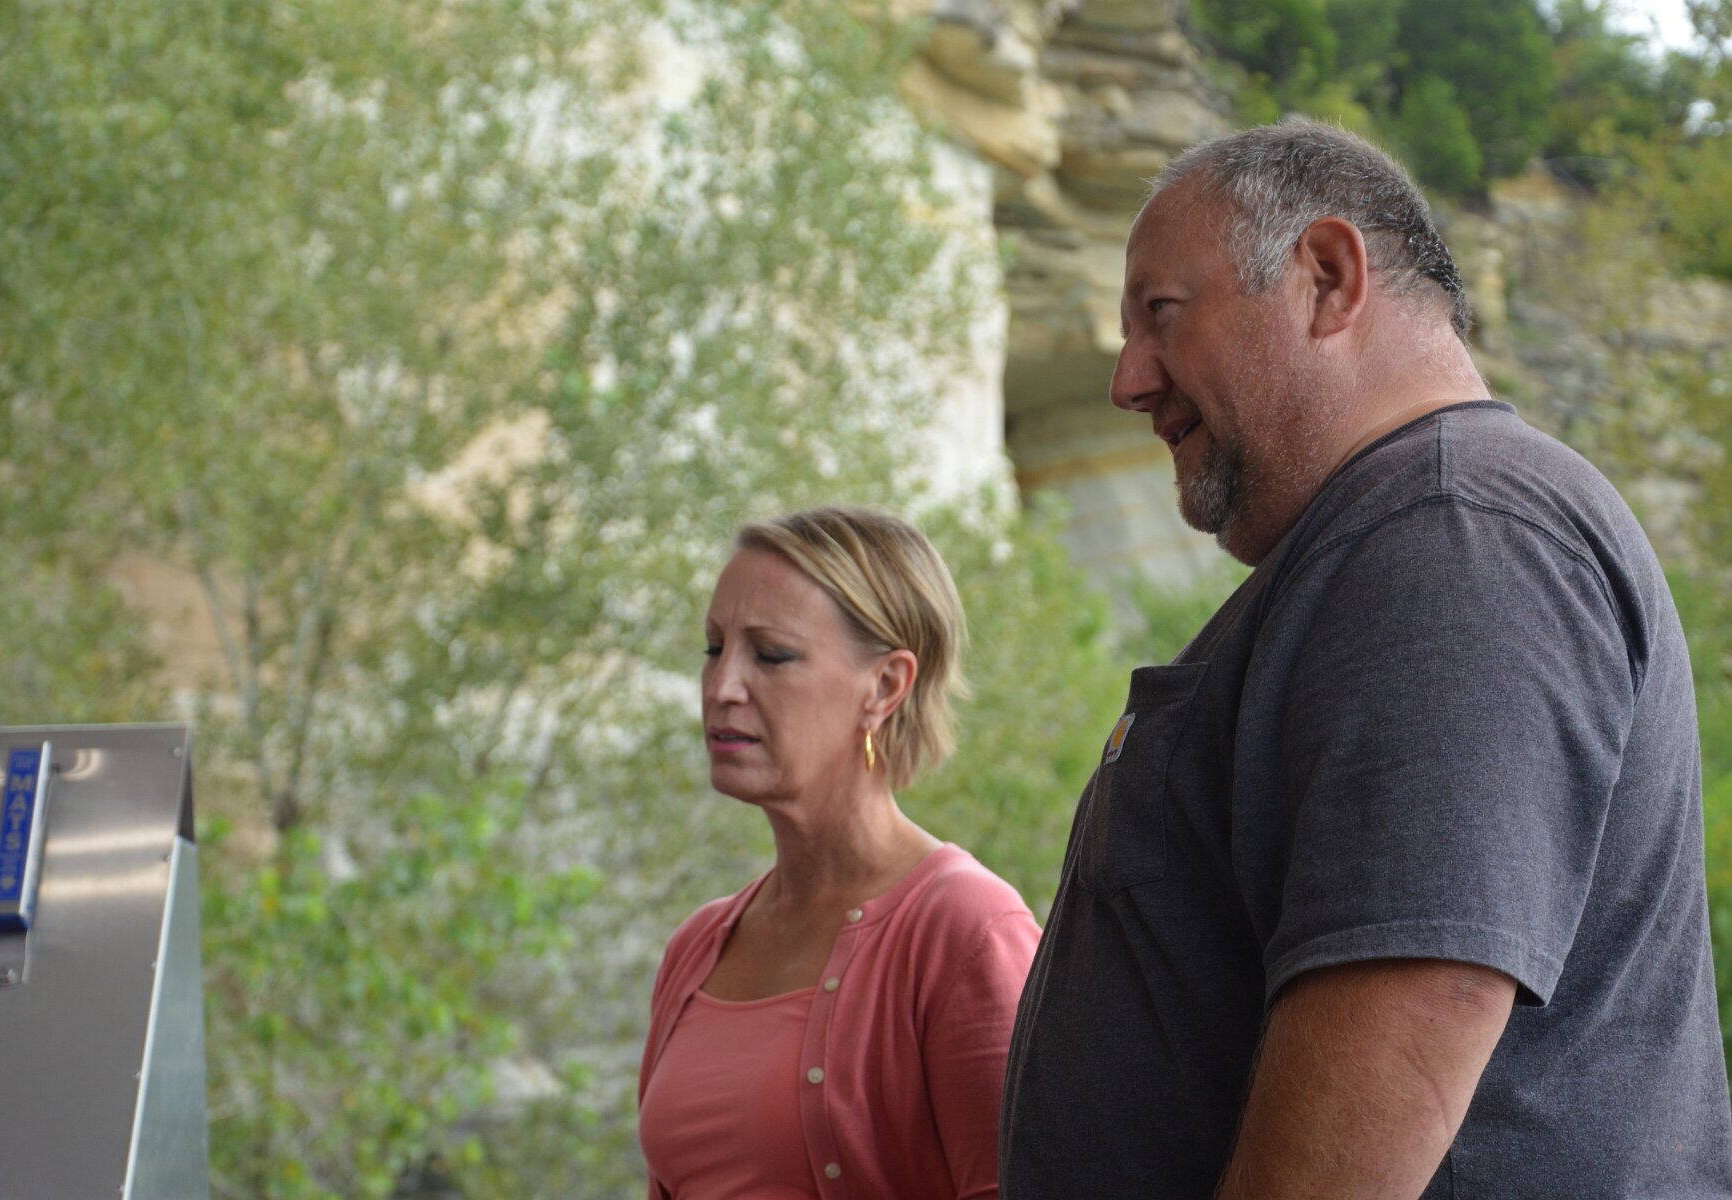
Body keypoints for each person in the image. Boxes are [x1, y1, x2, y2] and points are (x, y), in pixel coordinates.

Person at [1000, 119, 1732, 1197]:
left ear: (1327, 278)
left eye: (1161, 314)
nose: (1127, 381)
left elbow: (1417, 1002)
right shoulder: (1402, 535)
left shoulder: (1453, 531)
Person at [639, 505, 1039, 1199]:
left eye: (771, 655)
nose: (721, 687)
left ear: (885, 686)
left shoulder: (966, 929)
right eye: (713, 648)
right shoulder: (697, 946)